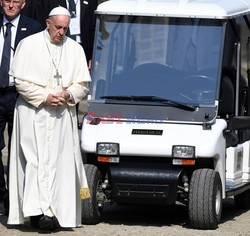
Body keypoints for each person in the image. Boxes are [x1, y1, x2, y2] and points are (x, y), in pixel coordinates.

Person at [7, 6, 90, 230]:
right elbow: (21, 82)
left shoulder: (75, 49)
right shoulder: (29, 44)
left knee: (58, 164)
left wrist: (68, 94)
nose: (61, 33)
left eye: (65, 28)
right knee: (35, 163)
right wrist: (45, 97)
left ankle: (55, 212)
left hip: (62, 116)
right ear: (47, 23)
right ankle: (37, 213)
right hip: (33, 113)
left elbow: (82, 84)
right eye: (58, 27)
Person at [0, 0, 42, 216]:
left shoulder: (34, 28)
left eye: (16, 1)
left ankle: (20, 200)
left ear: (23, 4)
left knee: (21, 149)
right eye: (7, 0)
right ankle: (2, 195)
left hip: (20, 96)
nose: (11, 5)